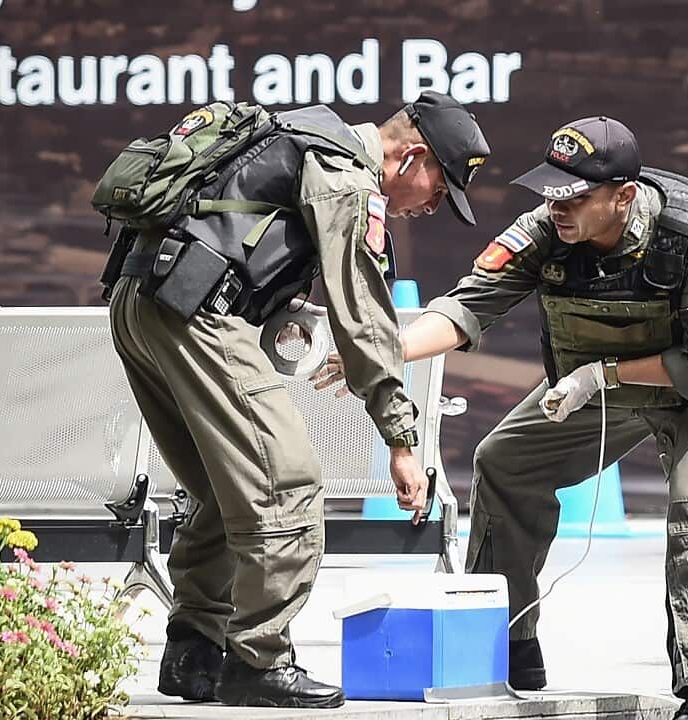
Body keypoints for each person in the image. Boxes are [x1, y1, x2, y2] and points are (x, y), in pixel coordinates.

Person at [314, 116, 688, 720]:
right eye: (550, 191)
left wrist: (601, 376)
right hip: (594, 383)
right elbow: (467, 307)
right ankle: (507, 643)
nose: (557, 207)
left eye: (575, 196)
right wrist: (375, 350)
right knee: (503, 462)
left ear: (623, 197)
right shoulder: (544, 231)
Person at [103, 91, 490, 708]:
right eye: (440, 189)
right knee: (286, 484)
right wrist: (401, 440)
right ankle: (259, 660)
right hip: (197, 315)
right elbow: (364, 318)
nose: (434, 206)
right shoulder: (346, 176)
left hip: (142, 304)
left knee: (221, 488)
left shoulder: (303, 133)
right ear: (412, 157)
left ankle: (194, 653)